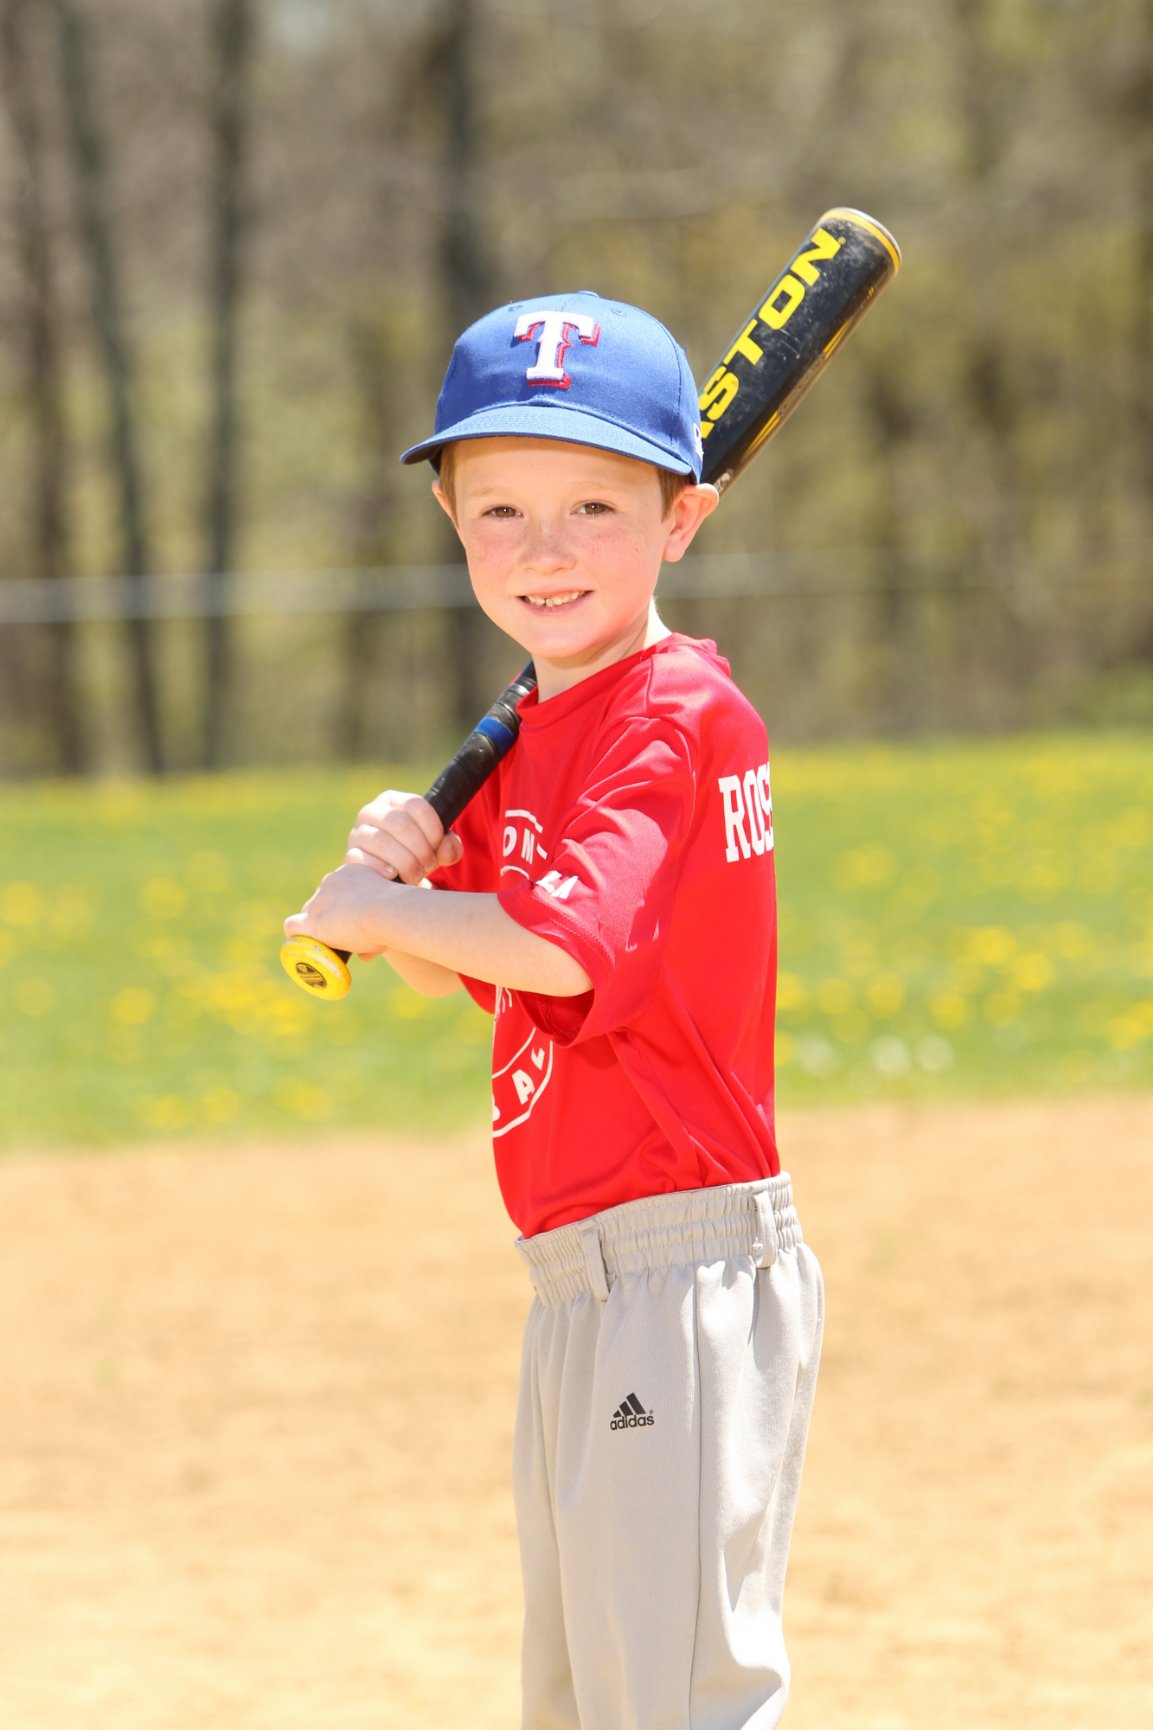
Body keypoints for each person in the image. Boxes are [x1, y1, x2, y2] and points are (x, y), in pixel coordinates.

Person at [283, 291, 824, 1730]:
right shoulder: (548, 725)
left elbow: (559, 948)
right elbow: (492, 973)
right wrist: (418, 876)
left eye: (594, 503)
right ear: (454, 523)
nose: (543, 548)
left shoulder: (667, 717)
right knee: (585, 1693)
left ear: (679, 523)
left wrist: (392, 910)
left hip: (674, 1261)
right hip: (580, 1269)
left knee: (679, 1694)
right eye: (501, 508)